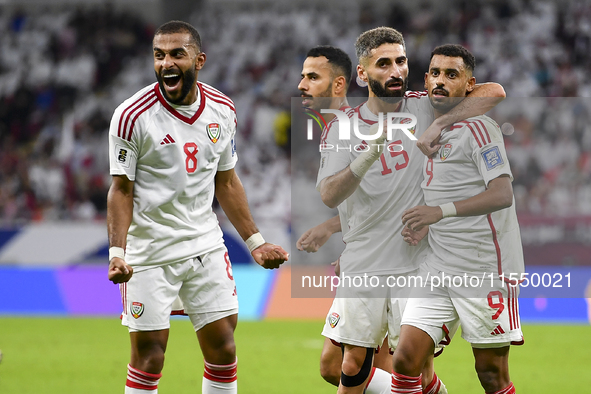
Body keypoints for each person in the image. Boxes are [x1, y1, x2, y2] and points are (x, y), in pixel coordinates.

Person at [317, 27, 506, 394]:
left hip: (418, 262)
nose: (395, 71)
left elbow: (493, 92)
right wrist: (367, 156)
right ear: (362, 73)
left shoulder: (425, 105)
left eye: (401, 61)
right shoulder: (343, 128)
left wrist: (441, 122)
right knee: (346, 365)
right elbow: (328, 194)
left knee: (412, 369)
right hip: (367, 262)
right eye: (383, 63)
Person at [107, 20, 288, 394]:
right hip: (150, 252)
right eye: (159, 56)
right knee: (150, 356)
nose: (166, 63)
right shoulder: (131, 116)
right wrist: (117, 252)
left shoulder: (222, 109)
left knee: (223, 348)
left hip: (204, 245)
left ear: (199, 60)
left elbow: (227, 181)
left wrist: (256, 242)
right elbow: (121, 190)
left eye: (177, 54)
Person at [393, 44, 524, 394]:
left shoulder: (481, 129)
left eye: (452, 75)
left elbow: (502, 194)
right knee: (405, 360)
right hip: (438, 265)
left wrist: (439, 212)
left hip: (484, 268)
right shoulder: (416, 109)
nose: (440, 80)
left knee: (490, 374)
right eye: (435, 73)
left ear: (470, 84)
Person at [296, 45, 394, 394]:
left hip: (387, 262)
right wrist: (335, 230)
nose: (302, 85)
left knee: (355, 366)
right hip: (366, 257)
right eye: (303, 76)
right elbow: (370, 203)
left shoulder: (357, 128)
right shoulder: (336, 129)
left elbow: (390, 199)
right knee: (334, 366)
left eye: (312, 77)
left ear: (339, 85)